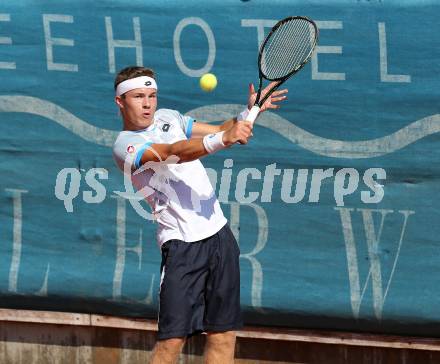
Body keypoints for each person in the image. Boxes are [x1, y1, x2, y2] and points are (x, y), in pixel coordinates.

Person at [112, 66, 287, 363]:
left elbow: (221, 130)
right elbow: (174, 151)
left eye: (152, 95)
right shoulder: (125, 145)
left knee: (223, 335)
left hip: (220, 236)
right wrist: (225, 138)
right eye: (138, 96)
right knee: (171, 342)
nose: (147, 104)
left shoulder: (169, 117)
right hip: (182, 247)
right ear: (120, 102)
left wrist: (251, 111)